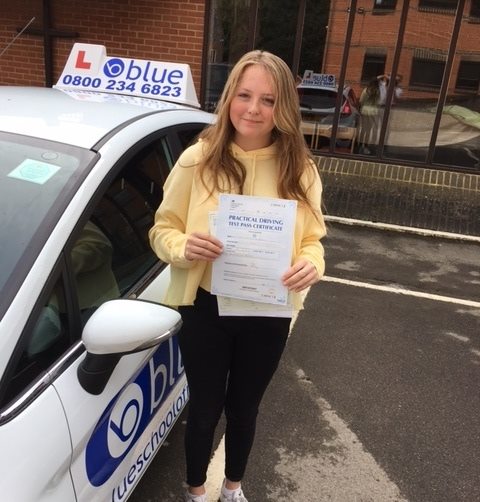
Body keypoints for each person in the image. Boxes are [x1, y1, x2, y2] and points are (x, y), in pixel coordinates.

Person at [148, 50, 326, 502]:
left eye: (268, 100)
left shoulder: (300, 169)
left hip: (267, 310)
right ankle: (196, 491)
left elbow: (313, 239)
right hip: (206, 307)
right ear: (229, 98)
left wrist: (313, 264)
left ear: (283, 107)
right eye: (244, 95)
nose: (253, 109)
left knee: (245, 409)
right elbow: (162, 228)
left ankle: (232, 489)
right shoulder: (197, 160)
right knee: (204, 409)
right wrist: (181, 246)